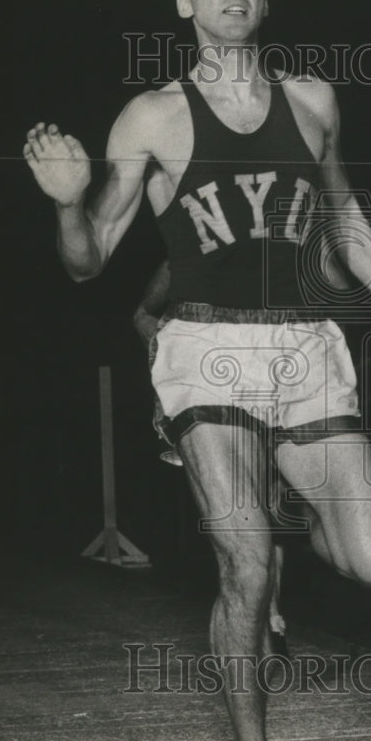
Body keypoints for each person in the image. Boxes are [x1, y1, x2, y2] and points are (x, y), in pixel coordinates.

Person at [24, 0, 371, 741]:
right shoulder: (153, 116)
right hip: (207, 348)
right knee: (247, 564)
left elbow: (346, 222)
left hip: (305, 348)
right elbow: (88, 259)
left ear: (265, 0)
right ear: (186, 4)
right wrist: (69, 208)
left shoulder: (313, 99)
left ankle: (285, 513)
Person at [133, 258, 289, 654]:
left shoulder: (268, 249)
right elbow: (142, 316)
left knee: (269, 508)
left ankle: (272, 619)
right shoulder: (184, 254)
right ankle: (259, 631)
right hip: (208, 403)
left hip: (266, 389)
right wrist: (175, 363)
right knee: (234, 527)